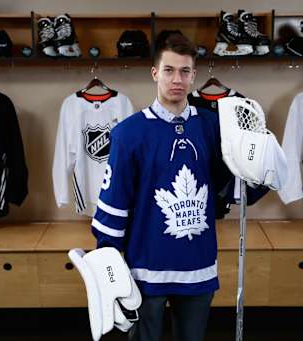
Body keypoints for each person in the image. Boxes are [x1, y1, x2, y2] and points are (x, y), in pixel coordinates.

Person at [91, 31, 268, 341]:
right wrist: (109, 259)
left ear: (194, 75)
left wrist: (264, 173)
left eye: (185, 71)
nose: (177, 79)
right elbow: (114, 202)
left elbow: (235, 189)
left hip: (197, 263)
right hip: (145, 267)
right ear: (155, 73)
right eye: (169, 70)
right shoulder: (129, 133)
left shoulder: (215, 127)